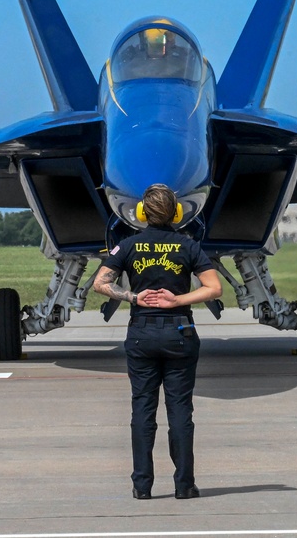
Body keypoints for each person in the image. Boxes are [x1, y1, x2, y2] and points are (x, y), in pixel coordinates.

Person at [93, 183, 222, 500]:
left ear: (141, 213)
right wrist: (178, 299)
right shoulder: (188, 246)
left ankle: (142, 485)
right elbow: (214, 288)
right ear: (177, 213)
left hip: (141, 335)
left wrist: (133, 296)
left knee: (142, 411)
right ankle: (184, 485)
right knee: (180, 412)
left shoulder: (128, 246)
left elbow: (100, 283)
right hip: (179, 333)